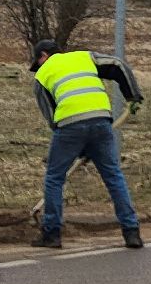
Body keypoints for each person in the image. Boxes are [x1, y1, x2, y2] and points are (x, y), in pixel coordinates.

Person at [28, 39, 144, 250]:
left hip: (70, 127)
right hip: (102, 121)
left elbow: (52, 118)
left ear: (43, 56)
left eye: (37, 62)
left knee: (54, 178)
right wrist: (133, 96)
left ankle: (51, 234)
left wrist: (76, 144)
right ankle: (132, 232)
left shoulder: (41, 76)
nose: (38, 67)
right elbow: (118, 65)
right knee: (113, 176)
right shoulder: (84, 57)